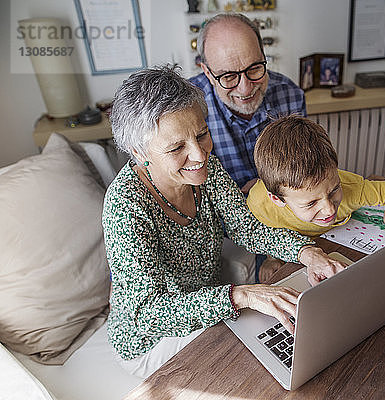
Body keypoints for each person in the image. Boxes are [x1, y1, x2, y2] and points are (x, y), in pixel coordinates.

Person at [103, 65, 345, 378]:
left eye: (202, 135)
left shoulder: (208, 171)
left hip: (211, 304)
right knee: (251, 364)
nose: (199, 155)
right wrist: (240, 295)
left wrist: (307, 252)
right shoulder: (125, 207)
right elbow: (147, 314)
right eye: (177, 148)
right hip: (151, 340)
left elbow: (249, 230)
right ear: (138, 152)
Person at [246, 116, 385, 281]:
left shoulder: (352, 188)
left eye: (334, 190)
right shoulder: (258, 203)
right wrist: (272, 259)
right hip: (292, 256)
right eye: (311, 203)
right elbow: (260, 232)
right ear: (277, 199)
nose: (329, 210)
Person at [190, 13, 306, 194]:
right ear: (207, 72)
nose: (245, 89)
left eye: (254, 69)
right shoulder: (187, 107)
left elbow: (302, 168)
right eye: (228, 76)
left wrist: (263, 187)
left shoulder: (290, 95)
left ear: (263, 55)